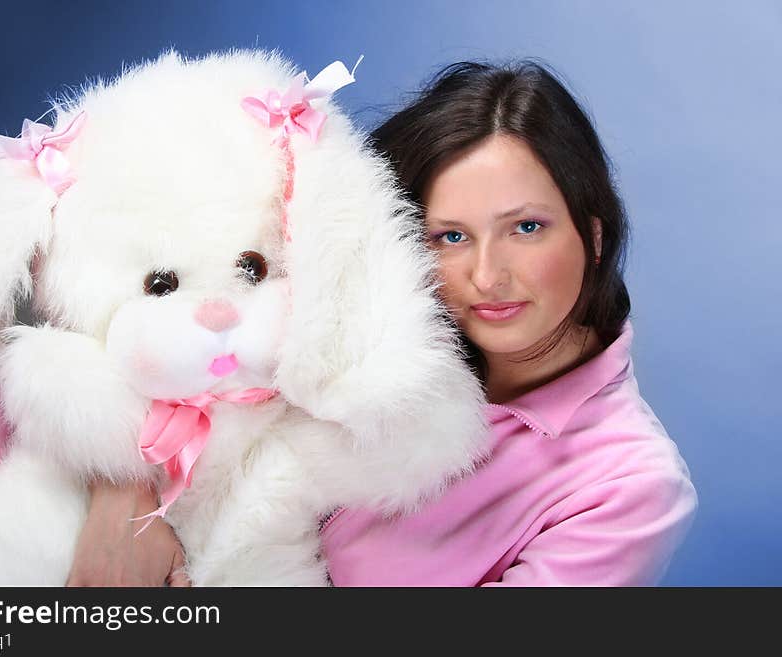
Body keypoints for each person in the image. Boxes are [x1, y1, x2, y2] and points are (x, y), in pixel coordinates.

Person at [68, 59, 697, 586]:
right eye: (450, 236)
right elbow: (122, 306)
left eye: (525, 227)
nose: (487, 274)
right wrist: (122, 491)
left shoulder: (629, 488)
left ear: (593, 235)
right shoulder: (363, 318)